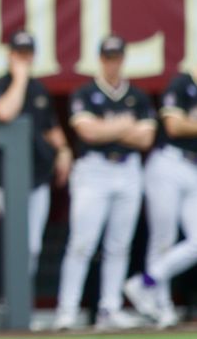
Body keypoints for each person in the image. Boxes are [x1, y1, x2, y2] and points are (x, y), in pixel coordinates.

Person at [54, 35, 156, 331]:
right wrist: (126, 126)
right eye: (108, 57)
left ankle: (109, 309)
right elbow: (87, 132)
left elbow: (146, 137)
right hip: (94, 170)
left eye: (117, 57)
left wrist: (108, 129)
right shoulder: (85, 92)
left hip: (127, 169)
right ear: (100, 59)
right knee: (82, 243)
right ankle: (67, 309)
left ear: (123, 59)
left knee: (119, 245)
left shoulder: (137, 95)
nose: (113, 63)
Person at [125, 35, 197, 329]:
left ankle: (146, 281)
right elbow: (174, 125)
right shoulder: (181, 83)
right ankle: (161, 307)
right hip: (168, 163)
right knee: (163, 238)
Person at [0, 30, 72, 277]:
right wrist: (20, 79)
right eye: (19, 54)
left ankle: (23, 303)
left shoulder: (39, 90)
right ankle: (9, 299)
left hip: (37, 175)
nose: (23, 59)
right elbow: (5, 112)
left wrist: (64, 150)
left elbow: (50, 127)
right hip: (4, 178)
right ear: (10, 55)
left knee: (33, 245)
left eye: (27, 54)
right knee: (14, 240)